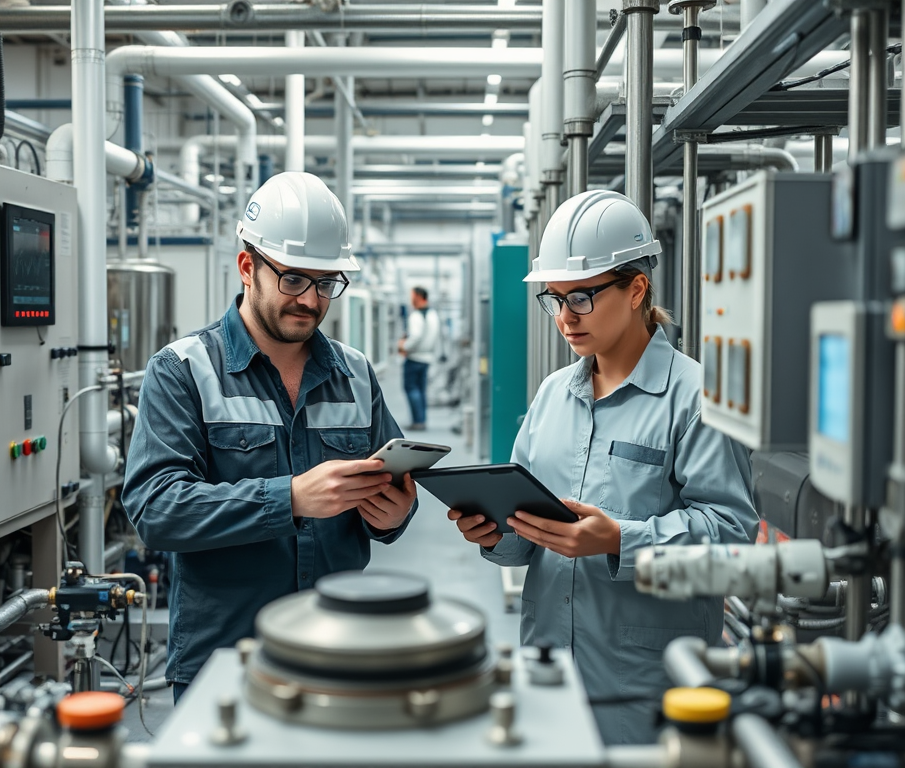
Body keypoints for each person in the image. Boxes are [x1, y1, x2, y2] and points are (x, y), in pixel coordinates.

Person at [447, 190, 758, 745]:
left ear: (636, 288)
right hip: (548, 669)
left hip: (646, 686)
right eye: (555, 299)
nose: (565, 318)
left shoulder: (694, 397)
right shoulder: (550, 396)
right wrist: (494, 533)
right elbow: (525, 535)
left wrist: (619, 540)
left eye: (583, 298)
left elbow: (732, 538)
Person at [122, 172, 417, 703]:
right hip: (228, 657)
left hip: (339, 648)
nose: (310, 300)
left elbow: (390, 488)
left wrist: (394, 518)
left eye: (325, 283)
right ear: (246, 267)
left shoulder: (355, 373)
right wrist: (291, 498)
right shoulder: (183, 369)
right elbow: (155, 509)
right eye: (293, 280)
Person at [398, 286, 441, 430]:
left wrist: (404, 346)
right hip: (427, 358)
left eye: (412, 296)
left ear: (418, 296)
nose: (411, 299)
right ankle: (421, 419)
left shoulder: (416, 316)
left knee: (411, 388)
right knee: (421, 390)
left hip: (415, 358)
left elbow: (415, 337)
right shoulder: (433, 315)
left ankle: (417, 421)